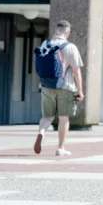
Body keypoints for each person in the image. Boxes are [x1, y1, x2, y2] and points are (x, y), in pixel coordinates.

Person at [33, 20, 83, 157]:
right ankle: (60, 148)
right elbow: (76, 71)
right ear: (68, 32)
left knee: (47, 116)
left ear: (55, 31)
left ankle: (41, 132)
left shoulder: (45, 44)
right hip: (65, 87)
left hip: (46, 85)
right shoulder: (71, 47)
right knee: (63, 117)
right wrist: (80, 91)